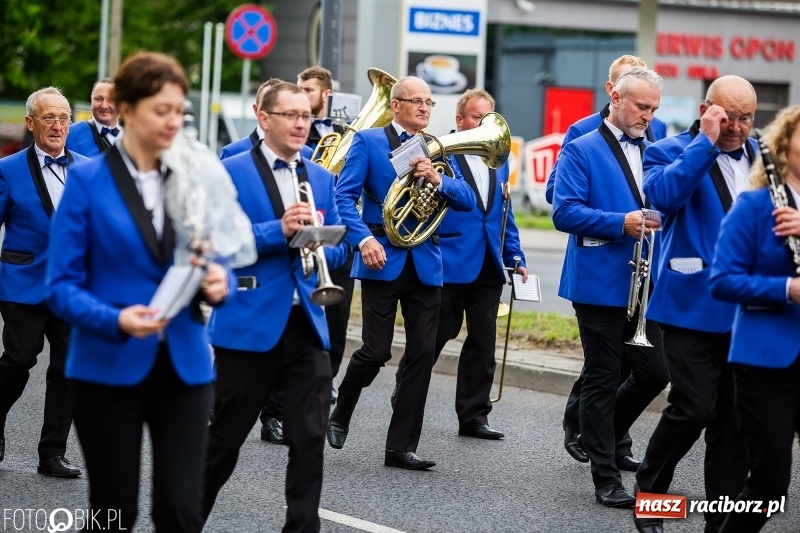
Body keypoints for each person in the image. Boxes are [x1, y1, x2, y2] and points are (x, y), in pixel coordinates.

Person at [46, 52, 236, 532]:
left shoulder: (194, 175)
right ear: (126, 109)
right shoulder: (87, 181)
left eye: (178, 110)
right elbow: (61, 287)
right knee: (114, 514)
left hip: (185, 366)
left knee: (179, 509)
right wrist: (117, 319)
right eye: (161, 110)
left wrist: (220, 282)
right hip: (108, 366)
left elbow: (220, 256)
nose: (173, 121)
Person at [202, 82, 347, 532]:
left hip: (306, 323)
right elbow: (214, 243)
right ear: (263, 118)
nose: (301, 124)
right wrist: (276, 231)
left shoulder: (321, 178)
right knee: (223, 444)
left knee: (309, 443)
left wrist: (324, 244)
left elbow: (340, 250)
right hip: (248, 323)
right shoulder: (231, 171)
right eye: (290, 115)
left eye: (306, 115)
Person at [329, 76, 475, 469]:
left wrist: (438, 179)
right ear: (396, 105)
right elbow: (343, 197)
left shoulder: (439, 148)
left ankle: (400, 446)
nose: (426, 109)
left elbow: (466, 200)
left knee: (422, 354)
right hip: (382, 255)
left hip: (426, 262)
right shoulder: (369, 142)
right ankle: (343, 405)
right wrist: (363, 241)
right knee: (376, 351)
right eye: (417, 102)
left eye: (430, 103)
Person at [633, 75, 758, 533]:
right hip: (688, 305)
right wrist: (705, 143)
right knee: (694, 409)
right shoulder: (669, 149)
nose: (737, 127)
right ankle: (650, 496)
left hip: (747, 313)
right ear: (708, 109)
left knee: (732, 425)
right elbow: (663, 197)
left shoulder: (760, 157)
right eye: (728, 116)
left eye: (746, 118)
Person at [552, 68, 669, 509]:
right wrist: (619, 223)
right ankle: (605, 477)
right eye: (642, 106)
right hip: (598, 282)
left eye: (654, 108)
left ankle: (601, 432)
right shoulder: (581, 147)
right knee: (602, 377)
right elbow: (563, 212)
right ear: (616, 98)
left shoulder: (655, 146)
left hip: (645, 281)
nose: (649, 116)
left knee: (657, 372)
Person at [393, 88, 526, 439]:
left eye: (488, 118)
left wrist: (515, 255)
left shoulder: (499, 158)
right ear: (459, 120)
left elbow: (503, 213)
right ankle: (404, 390)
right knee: (436, 335)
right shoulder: (438, 151)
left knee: (483, 341)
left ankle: (474, 416)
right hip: (449, 258)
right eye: (476, 118)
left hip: (487, 261)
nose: (483, 125)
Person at [709, 105, 800, 533]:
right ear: (784, 146)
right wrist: (786, 289)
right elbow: (723, 280)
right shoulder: (753, 206)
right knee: (770, 483)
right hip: (767, 361)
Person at [0, 87, 89, 477]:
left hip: (72, 288)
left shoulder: (89, 169)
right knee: (19, 360)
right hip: (23, 281)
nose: (57, 125)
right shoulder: (8, 169)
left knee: (68, 368)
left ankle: (52, 453)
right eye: (49, 117)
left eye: (64, 117)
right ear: (31, 122)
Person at [66, 78, 122, 158]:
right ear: (91, 99)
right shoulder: (70, 132)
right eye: (98, 99)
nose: (104, 106)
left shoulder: (133, 134)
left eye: (111, 100)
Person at [297, 66, 346, 153]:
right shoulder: (297, 127)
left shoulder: (344, 127)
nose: (301, 95)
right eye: (299, 89)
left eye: (308, 90)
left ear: (327, 94)